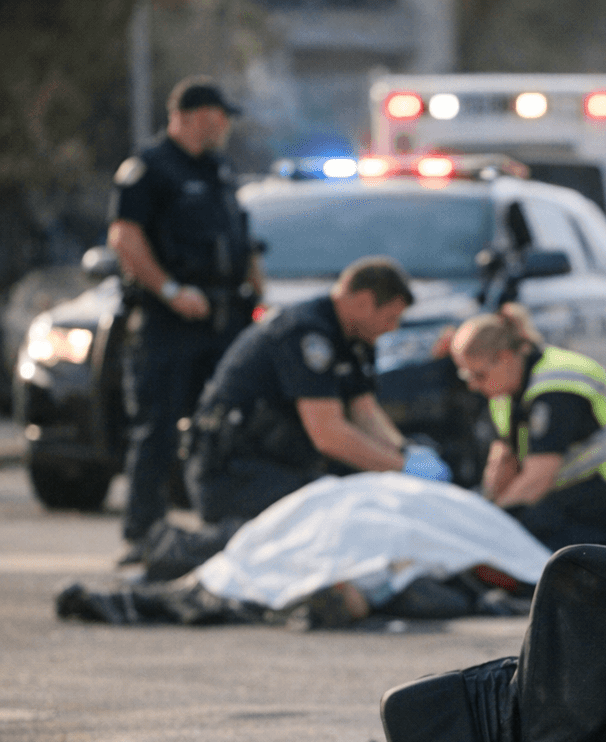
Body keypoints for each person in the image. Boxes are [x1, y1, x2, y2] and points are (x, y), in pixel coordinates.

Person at [108, 76, 261, 562]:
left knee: (220, 425)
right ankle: (143, 532)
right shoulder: (149, 169)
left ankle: (215, 526)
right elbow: (125, 238)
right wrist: (171, 291)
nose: (225, 126)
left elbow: (240, 233)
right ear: (197, 115)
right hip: (168, 320)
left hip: (223, 317)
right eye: (220, 117)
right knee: (156, 425)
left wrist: (257, 285)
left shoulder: (218, 168)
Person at [184, 256, 451, 524]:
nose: (392, 328)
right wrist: (402, 468)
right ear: (363, 302)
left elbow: (365, 413)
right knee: (341, 519)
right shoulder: (305, 332)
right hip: (234, 475)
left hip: (280, 464)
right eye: (391, 317)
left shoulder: (354, 337)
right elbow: (328, 434)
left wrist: (405, 451)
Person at [449, 305, 606, 554]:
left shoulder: (556, 388)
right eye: (466, 376)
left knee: (541, 522)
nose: (472, 385)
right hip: (604, 476)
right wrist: (483, 512)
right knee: (526, 519)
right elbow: (503, 464)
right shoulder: (504, 395)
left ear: (505, 357)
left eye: (478, 375)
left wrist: (492, 527)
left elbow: (537, 480)